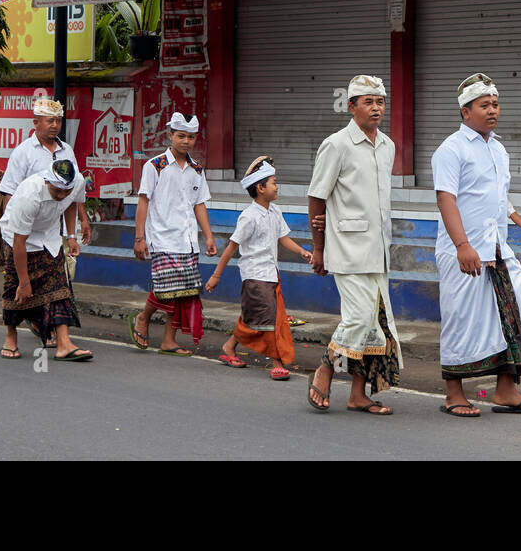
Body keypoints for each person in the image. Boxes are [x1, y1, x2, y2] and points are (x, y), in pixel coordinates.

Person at [431, 73, 521, 417]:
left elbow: (498, 197)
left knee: (512, 311)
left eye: (495, 104)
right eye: (484, 105)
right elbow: (446, 199)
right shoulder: (451, 150)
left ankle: (505, 390)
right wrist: (462, 244)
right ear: (466, 112)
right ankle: (454, 393)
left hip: (496, 247)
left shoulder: (498, 148)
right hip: (462, 249)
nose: (492, 110)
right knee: (461, 318)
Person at [305, 75, 401, 415]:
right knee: (359, 318)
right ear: (352, 106)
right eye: (368, 102)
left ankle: (358, 394)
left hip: (378, 249)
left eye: (380, 102)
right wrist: (318, 248)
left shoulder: (387, 146)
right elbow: (317, 197)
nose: (376, 108)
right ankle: (325, 367)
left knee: (375, 324)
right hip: (346, 248)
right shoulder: (337, 144)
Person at [206, 156, 311, 379]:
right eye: (273, 182)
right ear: (260, 188)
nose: (277, 186)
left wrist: (301, 251)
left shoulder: (275, 211)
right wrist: (216, 275)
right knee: (271, 319)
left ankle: (228, 347)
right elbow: (231, 247)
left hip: (272, 274)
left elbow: (283, 238)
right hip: (254, 275)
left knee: (255, 317)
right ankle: (276, 362)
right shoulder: (248, 217)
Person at [129, 112, 216, 356]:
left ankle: (169, 340)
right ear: (170, 136)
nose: (186, 141)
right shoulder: (154, 166)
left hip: (188, 240)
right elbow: (143, 201)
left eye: (190, 137)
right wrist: (139, 237)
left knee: (182, 293)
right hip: (162, 237)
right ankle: (143, 317)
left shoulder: (197, 169)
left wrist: (208, 236)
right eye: (181, 136)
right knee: (165, 287)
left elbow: (199, 205)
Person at [0, 158, 92, 362]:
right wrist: (24, 282)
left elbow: (70, 205)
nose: (61, 196)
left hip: (49, 237)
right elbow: (19, 243)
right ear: (47, 181)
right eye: (57, 190)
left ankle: (64, 343)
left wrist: (71, 236)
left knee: (59, 287)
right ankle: (10, 338)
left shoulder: (76, 184)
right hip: (17, 238)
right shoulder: (29, 194)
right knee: (15, 287)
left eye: (65, 191)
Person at [0, 96, 91, 244]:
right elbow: (10, 193)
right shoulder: (23, 152)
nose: (55, 125)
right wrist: (12, 236)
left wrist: (80, 223)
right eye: (50, 121)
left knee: (62, 266)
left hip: (55, 230)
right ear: (36, 123)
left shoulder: (66, 150)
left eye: (58, 120)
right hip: (27, 229)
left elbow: (73, 191)